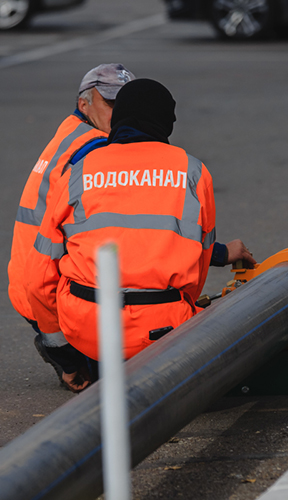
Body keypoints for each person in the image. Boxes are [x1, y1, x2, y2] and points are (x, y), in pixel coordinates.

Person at [26, 79, 255, 389]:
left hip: (87, 327)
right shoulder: (193, 172)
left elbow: (39, 277)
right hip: (163, 326)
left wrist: (65, 357)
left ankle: (96, 369)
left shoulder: (78, 171)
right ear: (165, 123)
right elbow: (198, 264)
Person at [7, 64, 135, 392]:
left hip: (27, 283)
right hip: (46, 294)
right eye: (110, 104)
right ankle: (68, 353)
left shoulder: (70, 131)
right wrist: (65, 357)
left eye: (127, 105)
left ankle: (69, 350)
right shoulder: (95, 151)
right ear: (84, 104)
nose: (121, 114)